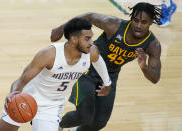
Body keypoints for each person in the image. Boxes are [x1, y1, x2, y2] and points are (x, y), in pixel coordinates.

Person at [51, 2, 162, 131]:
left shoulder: (152, 45)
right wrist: (61, 29)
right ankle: (57, 125)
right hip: (88, 69)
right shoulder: (114, 25)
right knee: (84, 115)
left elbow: (155, 78)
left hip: (110, 76)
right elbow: (89, 16)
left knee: (99, 123)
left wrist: (144, 67)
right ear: (131, 19)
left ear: (151, 23)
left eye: (144, 22)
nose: (138, 25)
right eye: (135, 20)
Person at [0, 18, 112, 131]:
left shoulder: (92, 52)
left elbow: (98, 62)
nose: (91, 42)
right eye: (87, 39)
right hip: (27, 98)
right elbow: (21, 80)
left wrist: (107, 83)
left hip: (51, 106)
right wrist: (14, 93)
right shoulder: (49, 54)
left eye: (91, 38)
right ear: (74, 39)